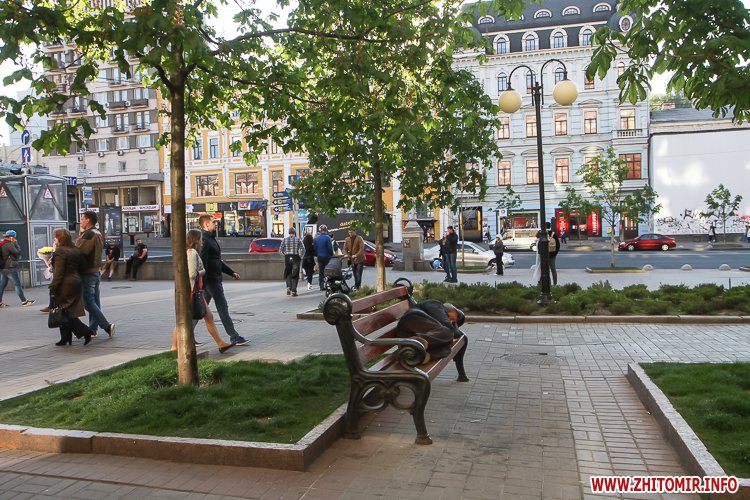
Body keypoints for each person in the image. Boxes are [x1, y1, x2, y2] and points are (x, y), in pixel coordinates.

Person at [171, 230, 235, 353]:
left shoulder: (189, 252)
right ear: (196, 240)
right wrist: (202, 271)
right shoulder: (192, 253)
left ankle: (220, 343)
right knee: (183, 320)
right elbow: (191, 274)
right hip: (191, 292)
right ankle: (174, 347)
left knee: (209, 317)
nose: (202, 241)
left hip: (194, 291)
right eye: (200, 239)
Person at [197, 214, 249, 346]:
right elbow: (203, 263)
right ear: (206, 225)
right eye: (213, 222)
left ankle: (186, 334)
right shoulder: (205, 240)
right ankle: (234, 336)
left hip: (210, 280)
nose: (216, 224)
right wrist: (203, 284)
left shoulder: (210, 239)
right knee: (222, 308)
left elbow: (217, 261)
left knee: (200, 309)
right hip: (211, 281)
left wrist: (231, 272)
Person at [49, 228, 95, 346]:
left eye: (55, 238)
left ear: (59, 239)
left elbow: (58, 272)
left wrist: (53, 286)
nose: (54, 240)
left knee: (64, 310)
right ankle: (65, 337)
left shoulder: (60, 251)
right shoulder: (75, 249)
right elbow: (83, 266)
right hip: (76, 281)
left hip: (64, 284)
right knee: (66, 309)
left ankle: (85, 331)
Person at [76, 211, 115, 338]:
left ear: (88, 220)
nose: (81, 221)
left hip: (87, 272)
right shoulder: (97, 232)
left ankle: (106, 326)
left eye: (82, 219)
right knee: (95, 302)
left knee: (88, 303)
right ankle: (92, 329)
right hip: (95, 271)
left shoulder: (89, 234)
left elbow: (79, 250)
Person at [0, 230, 35, 308]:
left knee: (2, 285)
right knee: (17, 284)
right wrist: (16, 244)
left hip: (3, 267)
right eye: (14, 237)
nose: (15, 238)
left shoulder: (2, 244)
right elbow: (17, 252)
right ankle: (24, 301)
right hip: (10, 267)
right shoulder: (9, 244)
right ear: (11, 237)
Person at [279, 227, 304, 297]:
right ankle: (294, 291)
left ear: (289, 232)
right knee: (295, 274)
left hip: (287, 257)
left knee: (288, 273)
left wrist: (285, 254)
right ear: (294, 232)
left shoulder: (285, 239)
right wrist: (301, 256)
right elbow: (303, 249)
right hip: (295, 257)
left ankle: (288, 287)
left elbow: (280, 250)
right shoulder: (298, 239)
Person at [313, 224, 334, 291]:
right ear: (326, 230)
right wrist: (331, 255)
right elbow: (330, 248)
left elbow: (315, 249)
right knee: (329, 271)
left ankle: (321, 286)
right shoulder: (328, 238)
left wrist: (317, 254)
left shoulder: (316, 239)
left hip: (320, 257)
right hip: (327, 257)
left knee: (321, 272)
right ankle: (330, 284)